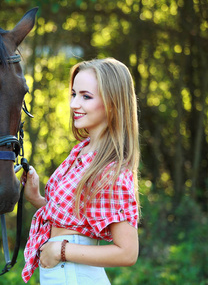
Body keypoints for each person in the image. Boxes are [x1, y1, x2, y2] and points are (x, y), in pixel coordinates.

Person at [21, 58, 140, 284]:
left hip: (74, 275)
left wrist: (61, 250)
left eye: (86, 96)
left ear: (112, 103)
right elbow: (72, 221)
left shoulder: (111, 170)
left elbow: (128, 252)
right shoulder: (81, 153)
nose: (74, 104)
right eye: (74, 94)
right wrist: (36, 198)